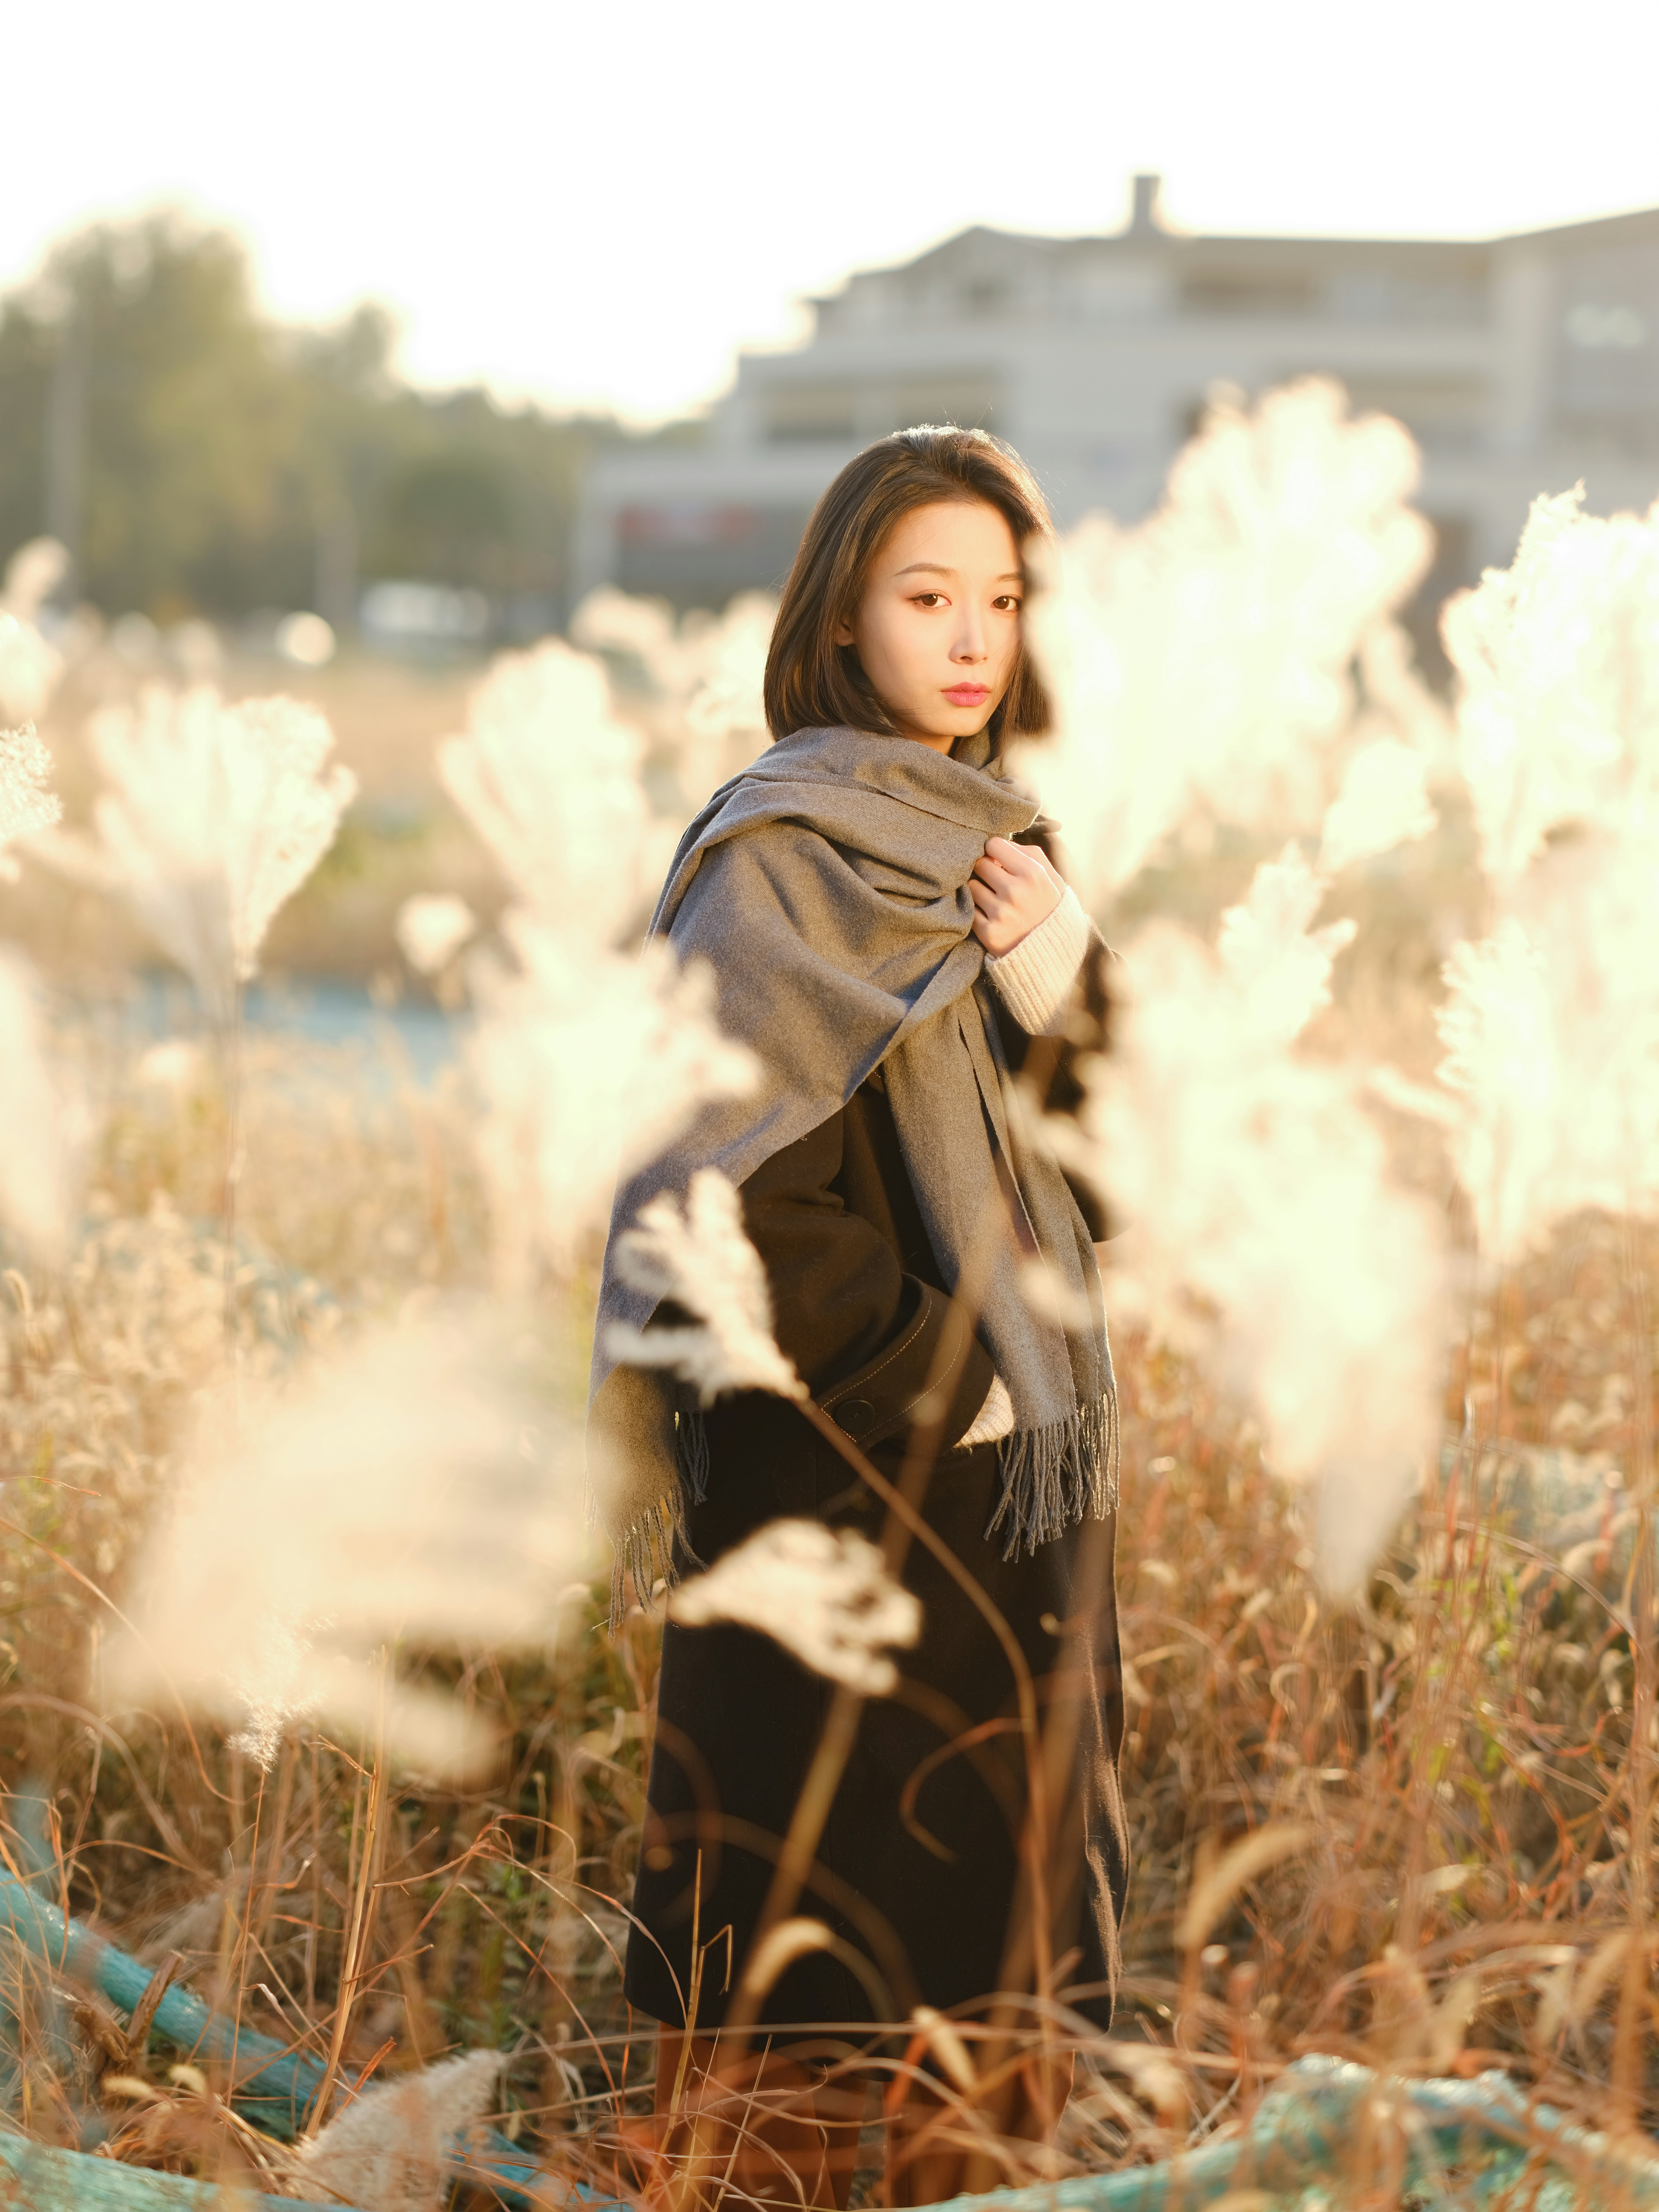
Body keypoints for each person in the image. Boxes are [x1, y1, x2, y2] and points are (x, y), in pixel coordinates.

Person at [588, 426, 1129, 2209]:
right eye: (926, 597)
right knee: (817, 1939)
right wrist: (949, 1375)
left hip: (1004, 1498)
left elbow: (1117, 1167)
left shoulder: (997, 860)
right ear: (844, 617)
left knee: (988, 1936)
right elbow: (717, 1194)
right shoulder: (784, 858)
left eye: (999, 598)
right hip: (846, 1483)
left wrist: (1059, 965)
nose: (971, 638)